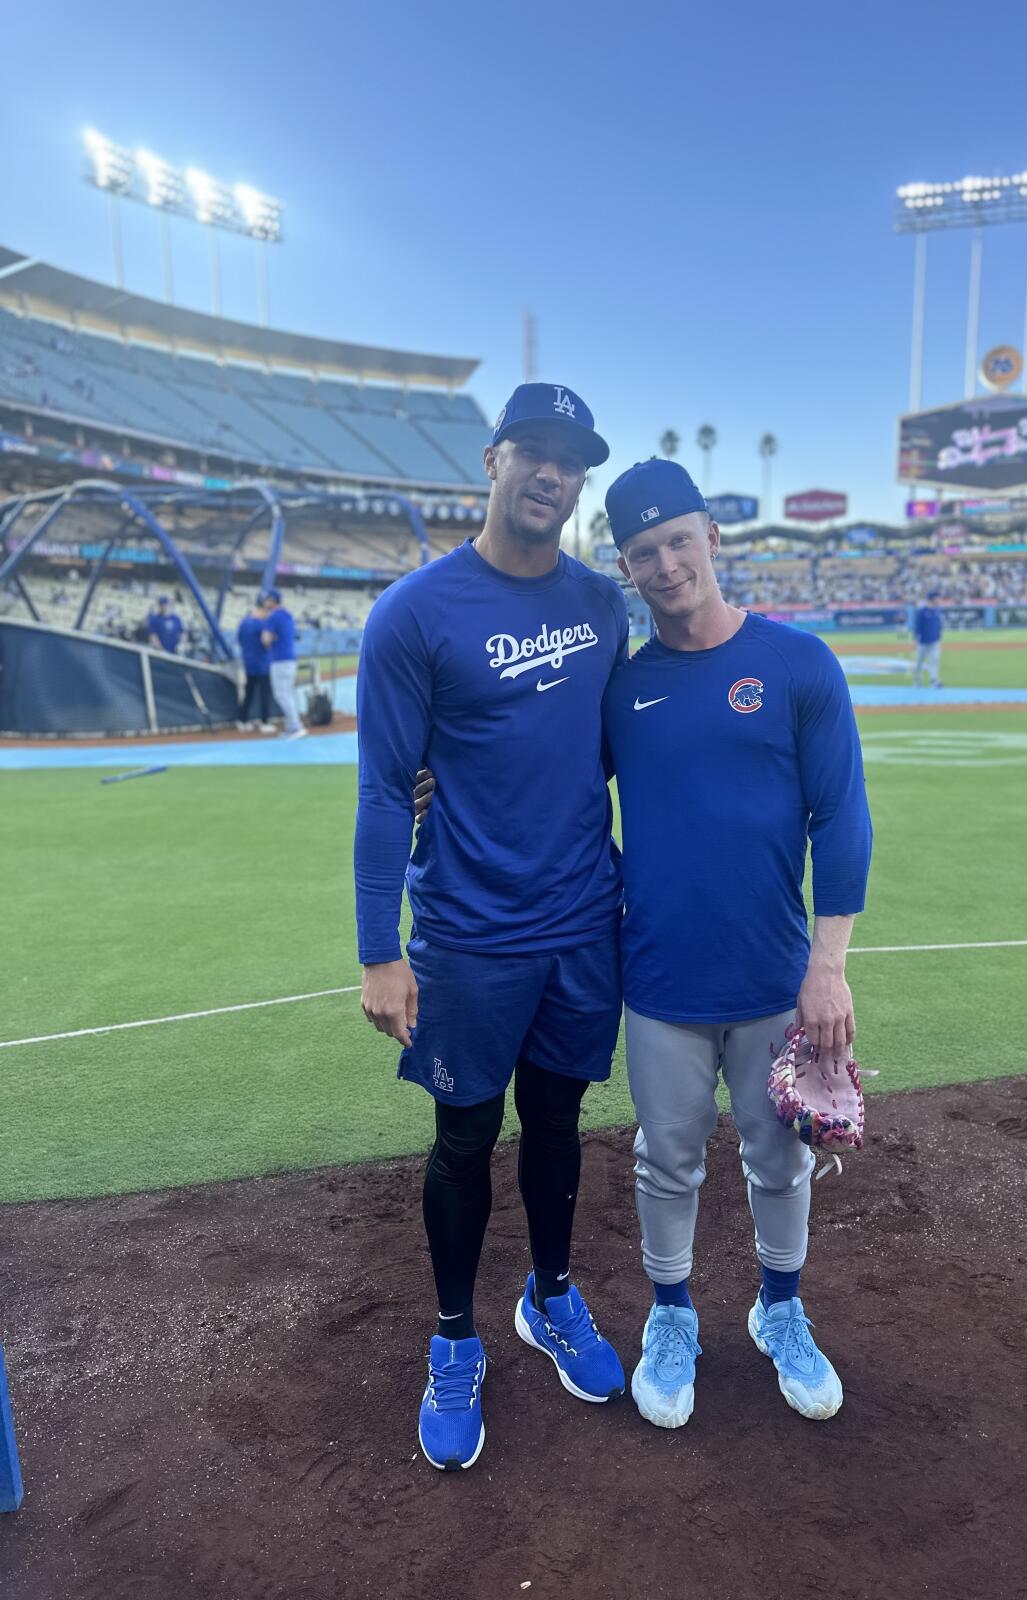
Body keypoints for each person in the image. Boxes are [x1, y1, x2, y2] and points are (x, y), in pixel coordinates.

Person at [355, 382, 627, 1472]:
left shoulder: (604, 604)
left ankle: (550, 1295)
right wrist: (380, 947)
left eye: (572, 458)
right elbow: (384, 788)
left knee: (558, 1124)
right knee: (464, 1136)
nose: (553, 473)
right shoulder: (415, 611)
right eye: (536, 452)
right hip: (466, 935)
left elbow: (615, 752)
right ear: (493, 459)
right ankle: (456, 1336)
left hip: (579, 922)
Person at [601, 460, 872, 1431]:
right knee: (666, 1157)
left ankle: (779, 1307)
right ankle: (672, 1318)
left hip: (773, 974)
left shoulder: (798, 665)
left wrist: (828, 964)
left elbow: (843, 820)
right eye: (643, 551)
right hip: (661, 975)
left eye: (678, 540)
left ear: (713, 538)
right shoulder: (622, 687)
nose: (666, 564)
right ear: (626, 567)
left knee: (779, 1155)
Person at [260, 588, 305, 740]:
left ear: (273, 601)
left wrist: (269, 639)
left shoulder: (274, 616)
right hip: (289, 658)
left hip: (279, 659)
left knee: (282, 694)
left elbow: (265, 639)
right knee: (288, 693)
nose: (265, 602)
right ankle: (293, 725)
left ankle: (295, 726)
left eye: (267, 600)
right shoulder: (287, 615)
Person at [236, 600, 272, 732]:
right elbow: (266, 642)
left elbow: (239, 640)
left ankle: (242, 720)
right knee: (264, 693)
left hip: (248, 662)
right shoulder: (262, 625)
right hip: (262, 664)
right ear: (261, 610)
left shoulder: (243, 623)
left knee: (249, 693)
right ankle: (265, 722)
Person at [911, 591, 943, 686]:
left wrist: (940, 640)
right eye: (937, 598)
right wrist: (915, 640)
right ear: (932, 599)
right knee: (919, 662)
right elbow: (917, 626)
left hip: (935, 641)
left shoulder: (937, 611)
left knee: (935, 661)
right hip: (923, 642)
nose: (939, 600)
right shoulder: (922, 611)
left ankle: (934, 680)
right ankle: (917, 680)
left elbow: (938, 627)